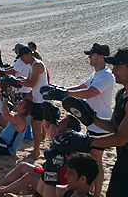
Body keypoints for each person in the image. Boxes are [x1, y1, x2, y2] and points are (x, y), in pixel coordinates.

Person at [56, 48, 128, 197]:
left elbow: (121, 139)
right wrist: (91, 117)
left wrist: (86, 141)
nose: (113, 70)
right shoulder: (122, 94)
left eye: (118, 66)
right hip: (123, 163)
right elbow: (113, 126)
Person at [42, 43, 114, 197]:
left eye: (92, 54)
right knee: (93, 159)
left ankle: (96, 194)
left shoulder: (107, 75)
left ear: (101, 57)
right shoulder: (96, 74)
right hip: (93, 122)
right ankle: (93, 191)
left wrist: (64, 94)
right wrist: (61, 90)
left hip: (101, 125)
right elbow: (82, 86)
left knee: (97, 160)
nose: (89, 57)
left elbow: (89, 93)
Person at [0, 114, 82, 196]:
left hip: (56, 183)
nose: (58, 124)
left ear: (68, 130)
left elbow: (51, 133)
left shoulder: (68, 147)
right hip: (49, 175)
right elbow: (47, 127)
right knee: (23, 166)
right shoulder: (61, 140)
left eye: (61, 123)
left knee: (30, 176)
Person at [3, 46, 49, 158]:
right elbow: (28, 81)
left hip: (41, 100)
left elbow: (31, 83)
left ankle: (36, 151)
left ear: (29, 53)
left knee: (37, 125)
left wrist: (17, 82)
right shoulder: (32, 65)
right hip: (36, 98)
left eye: (23, 56)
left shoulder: (37, 65)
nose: (22, 59)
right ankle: (36, 149)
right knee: (34, 123)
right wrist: (16, 81)